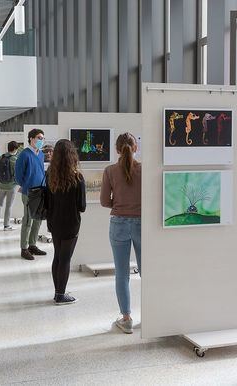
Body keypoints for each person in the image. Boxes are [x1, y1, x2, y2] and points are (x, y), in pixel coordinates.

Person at [100, 132, 141, 334]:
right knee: (147, 271)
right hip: (142, 224)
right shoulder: (144, 169)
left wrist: (118, 204)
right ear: (136, 148)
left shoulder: (110, 171)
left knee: (122, 274)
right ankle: (152, 314)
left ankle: (126, 319)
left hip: (118, 224)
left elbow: (104, 201)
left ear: (117, 150)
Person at [46, 139, 86, 305]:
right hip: (71, 223)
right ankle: (61, 295)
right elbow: (82, 206)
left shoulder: (50, 174)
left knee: (57, 256)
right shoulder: (77, 177)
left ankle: (58, 292)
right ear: (72, 155)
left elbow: (48, 201)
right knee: (65, 259)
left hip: (54, 221)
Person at [15, 128, 47, 260]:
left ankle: (32, 245)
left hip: (41, 191)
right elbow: (18, 176)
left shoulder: (40, 154)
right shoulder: (24, 154)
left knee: (38, 219)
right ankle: (24, 248)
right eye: (39, 138)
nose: (41, 140)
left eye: (42, 138)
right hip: (29, 192)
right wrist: (27, 185)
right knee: (27, 220)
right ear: (31, 139)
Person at [0, 141, 19, 231]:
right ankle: (6, 225)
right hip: (11, 186)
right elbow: (16, 174)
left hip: (1, 185)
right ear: (15, 149)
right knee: (8, 206)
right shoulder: (14, 159)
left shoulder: (1, 157)